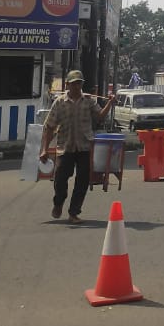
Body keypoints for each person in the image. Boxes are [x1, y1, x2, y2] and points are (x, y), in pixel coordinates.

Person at [40, 70, 114, 224]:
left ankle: (74, 212)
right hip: (65, 147)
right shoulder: (59, 102)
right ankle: (58, 203)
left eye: (79, 83)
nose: (77, 86)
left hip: (85, 146)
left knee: (82, 181)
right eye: (74, 83)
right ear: (67, 84)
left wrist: (109, 103)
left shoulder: (89, 101)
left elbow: (100, 117)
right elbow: (49, 127)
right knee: (60, 179)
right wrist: (44, 149)